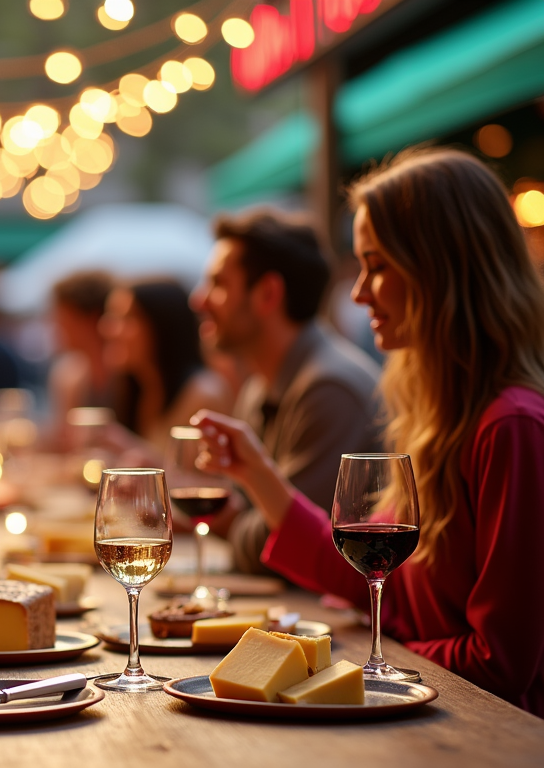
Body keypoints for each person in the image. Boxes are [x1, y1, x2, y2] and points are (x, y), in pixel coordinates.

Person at [193, 147, 544, 717]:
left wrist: (377, 659)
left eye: (377, 266)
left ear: (441, 268)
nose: (358, 293)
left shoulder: (511, 428)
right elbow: (371, 578)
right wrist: (256, 473)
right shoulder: (433, 418)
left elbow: (502, 664)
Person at [189, 209, 382, 573]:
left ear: (267, 294)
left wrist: (228, 522)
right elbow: (251, 516)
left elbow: (287, 548)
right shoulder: (261, 385)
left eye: (217, 284)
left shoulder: (329, 391)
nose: (198, 301)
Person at [99, 279, 232, 451]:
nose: (107, 329)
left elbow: (211, 477)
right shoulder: (137, 387)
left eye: (126, 318)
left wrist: (130, 448)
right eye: (110, 316)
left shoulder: (204, 395)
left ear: (162, 325)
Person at [47, 270, 116, 449]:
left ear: (90, 317)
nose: (56, 325)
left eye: (62, 316)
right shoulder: (71, 376)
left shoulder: (127, 373)